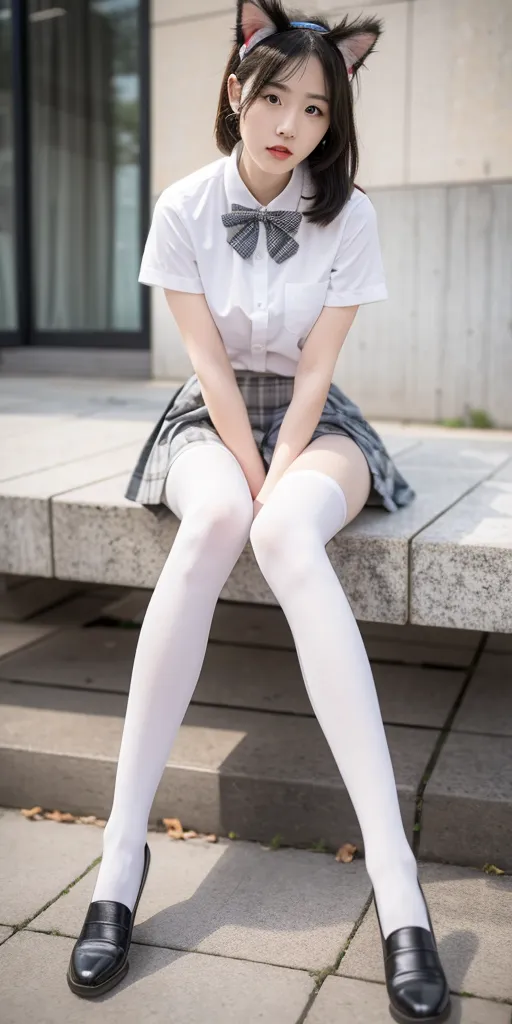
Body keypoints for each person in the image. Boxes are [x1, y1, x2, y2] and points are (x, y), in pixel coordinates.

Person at [67, 2, 451, 1020]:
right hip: (209, 413)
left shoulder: (350, 214)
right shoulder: (184, 206)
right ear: (236, 87)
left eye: (314, 109)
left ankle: (394, 879)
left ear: (333, 124)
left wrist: (281, 474)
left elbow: (319, 369)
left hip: (317, 421)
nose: (288, 122)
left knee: (281, 528)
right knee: (214, 524)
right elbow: (205, 366)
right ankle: (117, 857)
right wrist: (242, 467)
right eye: (272, 93)